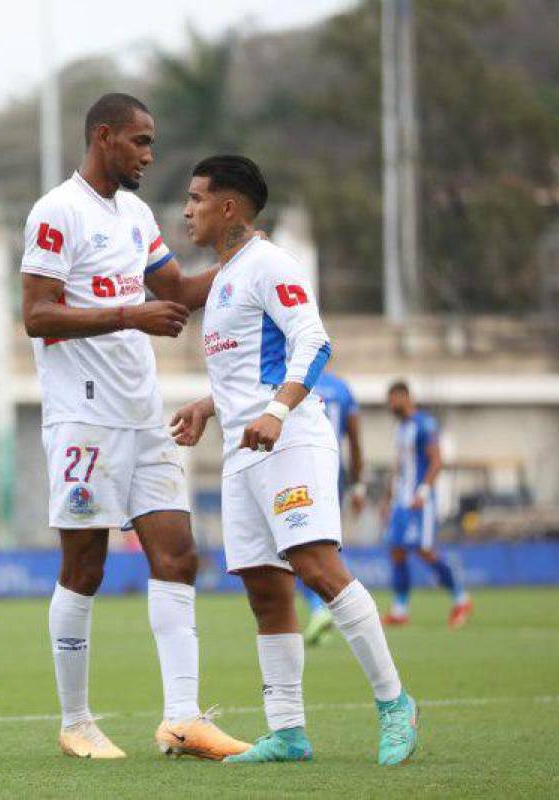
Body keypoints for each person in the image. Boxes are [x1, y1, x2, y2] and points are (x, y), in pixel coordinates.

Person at [20, 93, 248, 760]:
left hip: (142, 415)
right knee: (84, 566)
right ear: (104, 136)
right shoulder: (57, 211)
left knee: (178, 554)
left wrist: (247, 259)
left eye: (152, 142)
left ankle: (182, 718)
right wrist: (129, 314)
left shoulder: (136, 215)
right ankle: (76, 722)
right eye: (140, 142)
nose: (150, 155)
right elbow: (36, 315)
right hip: (83, 420)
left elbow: (173, 291)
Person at [171, 154, 417, 766]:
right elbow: (250, 368)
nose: (187, 210)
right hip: (241, 449)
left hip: (289, 442)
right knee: (263, 587)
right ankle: (288, 731)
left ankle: (395, 703)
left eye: (197, 198)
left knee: (316, 567)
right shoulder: (225, 274)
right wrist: (208, 404)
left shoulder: (270, 264)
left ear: (229, 206)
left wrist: (277, 411)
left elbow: (314, 341)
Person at [381, 381, 472, 628]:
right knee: (396, 550)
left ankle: (461, 599)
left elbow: (437, 460)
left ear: (405, 397)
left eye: (393, 400)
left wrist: (423, 490)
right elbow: (398, 467)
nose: (390, 405)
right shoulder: (402, 429)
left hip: (419, 501)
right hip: (401, 502)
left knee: (424, 550)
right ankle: (400, 610)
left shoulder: (424, 424)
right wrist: (387, 499)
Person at [301, 367, 365, 645]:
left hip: (300, 470)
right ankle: (340, 612)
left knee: (296, 547)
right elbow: (355, 442)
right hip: (333, 473)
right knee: (328, 547)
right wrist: (358, 486)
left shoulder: (294, 379)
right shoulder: (342, 388)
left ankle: (320, 610)